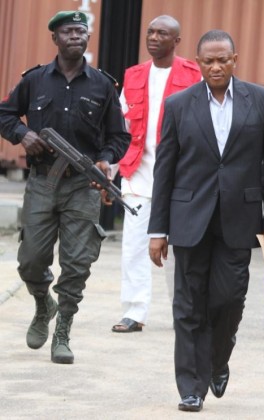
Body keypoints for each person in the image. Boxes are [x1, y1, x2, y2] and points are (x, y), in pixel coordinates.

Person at [147, 30, 264, 412]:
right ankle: (191, 387)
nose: (216, 67)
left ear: (234, 59)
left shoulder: (263, 101)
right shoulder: (178, 105)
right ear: (198, 63)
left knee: (229, 300)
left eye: (222, 60)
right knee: (188, 305)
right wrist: (158, 230)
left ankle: (218, 358)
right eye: (208, 61)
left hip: (240, 220)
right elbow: (165, 170)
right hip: (189, 219)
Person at [0, 11, 130, 364]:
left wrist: (105, 160)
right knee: (30, 260)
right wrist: (23, 134)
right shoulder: (35, 80)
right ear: (55, 38)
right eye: (68, 31)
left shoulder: (103, 85)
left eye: (81, 31)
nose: (76, 36)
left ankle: (63, 331)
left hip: (83, 186)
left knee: (77, 263)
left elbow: (119, 136)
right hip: (43, 182)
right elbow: (4, 114)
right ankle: (44, 302)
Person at [111, 15, 201, 333]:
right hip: (138, 175)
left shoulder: (194, 74)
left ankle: (184, 312)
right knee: (134, 246)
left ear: (176, 41)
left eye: (162, 33)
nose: (153, 37)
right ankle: (134, 311)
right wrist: (109, 172)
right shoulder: (133, 75)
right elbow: (120, 129)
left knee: (181, 251)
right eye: (150, 32)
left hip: (181, 179)